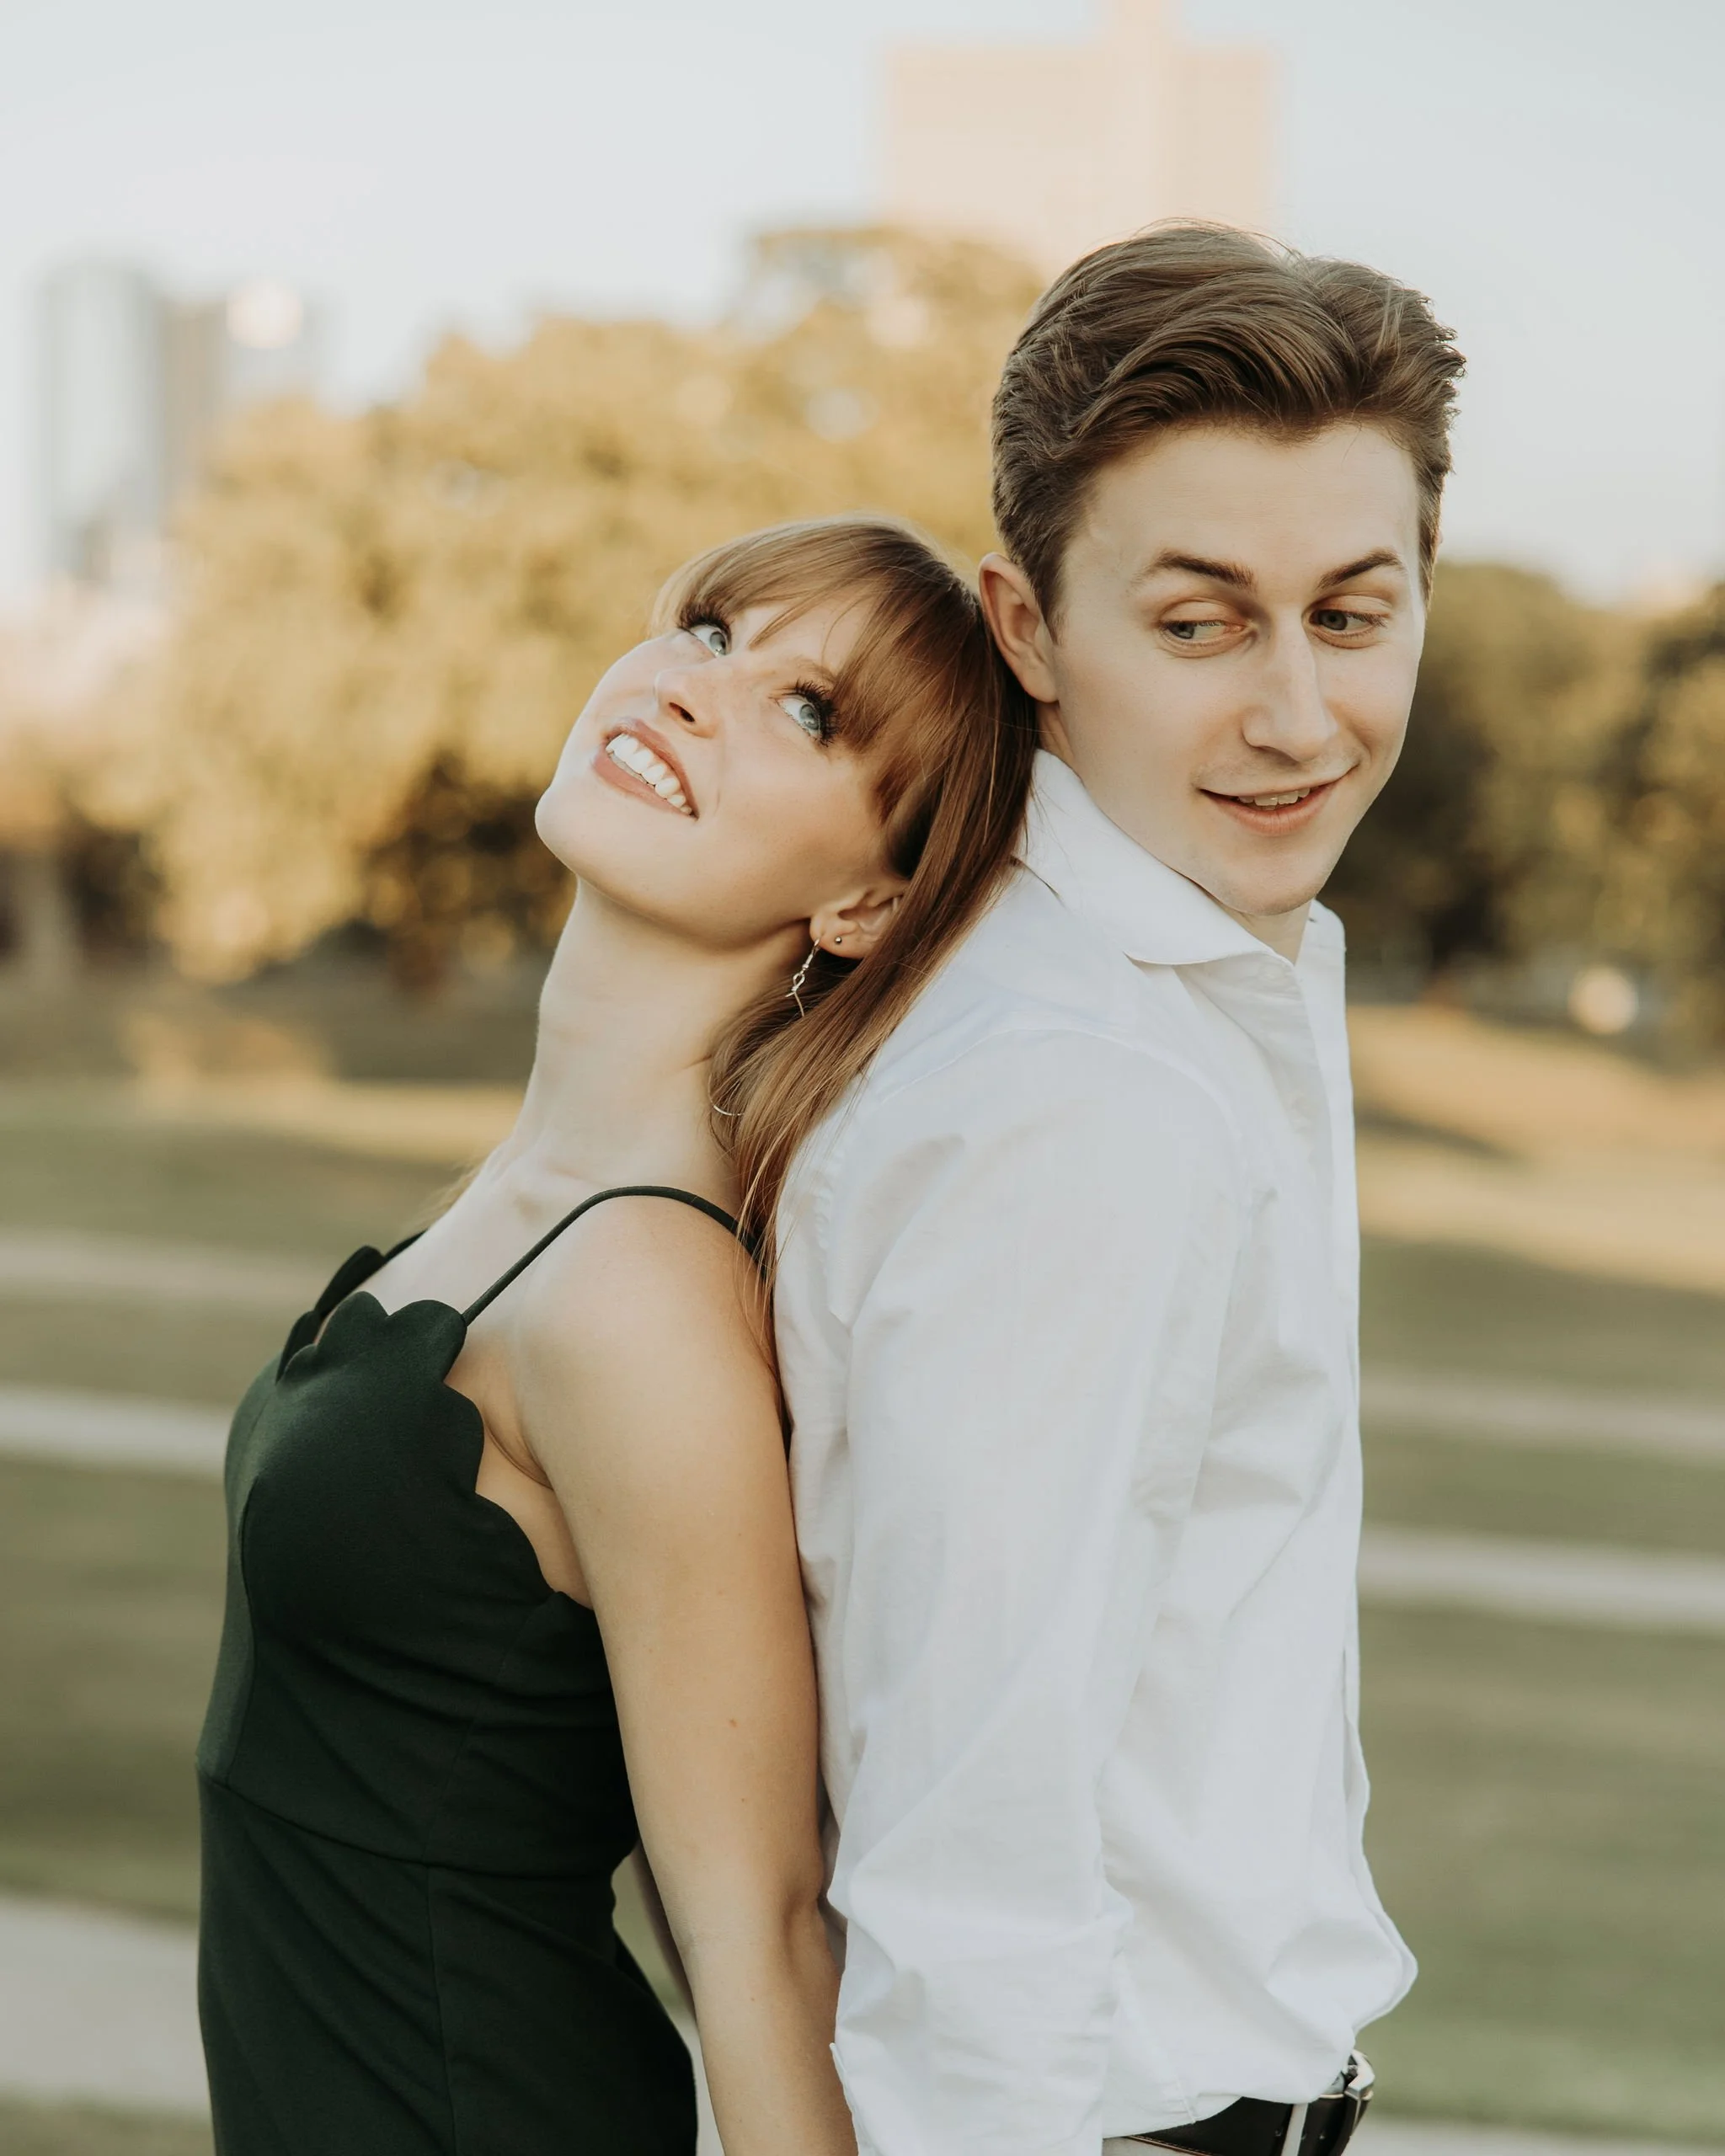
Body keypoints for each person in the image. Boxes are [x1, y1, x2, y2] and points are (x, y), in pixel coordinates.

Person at [195, 514, 1038, 2156]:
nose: (696, 690)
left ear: (869, 896)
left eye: (812, 711)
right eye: (714, 631)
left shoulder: (641, 1300)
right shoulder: (529, 1200)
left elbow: (757, 1934)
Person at [774, 225, 1466, 2156]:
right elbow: (968, 1819)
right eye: (1195, 623)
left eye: (1350, 613)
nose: (1295, 717)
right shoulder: (1079, 1090)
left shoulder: (1186, 982)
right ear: (1021, 627)